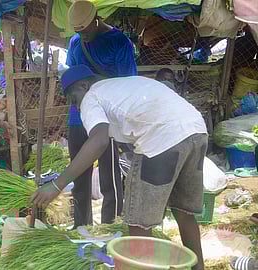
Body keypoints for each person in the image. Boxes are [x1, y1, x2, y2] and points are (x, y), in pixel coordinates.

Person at [30, 64, 207, 270]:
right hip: (196, 130)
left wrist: (57, 184)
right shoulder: (121, 86)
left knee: (139, 221)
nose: (77, 107)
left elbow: (99, 141)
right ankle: (199, 268)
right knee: (184, 213)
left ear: (84, 86)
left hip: (161, 138)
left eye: (74, 99)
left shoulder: (91, 97)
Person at [65, 0, 137, 226]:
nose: (82, 35)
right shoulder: (75, 42)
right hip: (79, 117)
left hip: (108, 118)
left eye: (85, 30)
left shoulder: (119, 41)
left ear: (96, 19)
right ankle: (81, 226)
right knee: (79, 174)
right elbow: (72, 77)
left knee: (110, 176)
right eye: (78, 31)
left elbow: (128, 83)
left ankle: (111, 225)